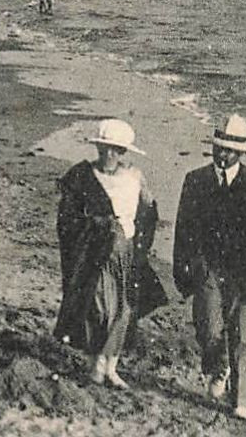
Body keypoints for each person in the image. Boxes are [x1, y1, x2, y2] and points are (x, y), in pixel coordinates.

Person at [173, 114, 246, 422]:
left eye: (229, 150)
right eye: (218, 148)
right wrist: (181, 269)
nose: (222, 155)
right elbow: (183, 228)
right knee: (209, 326)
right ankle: (217, 365)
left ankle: (241, 400)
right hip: (208, 266)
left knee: (244, 337)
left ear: (241, 153)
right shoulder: (195, 181)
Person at [54, 119, 165, 388]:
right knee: (98, 307)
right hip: (94, 254)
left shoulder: (135, 178)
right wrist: (97, 226)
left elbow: (149, 214)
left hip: (125, 252)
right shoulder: (82, 176)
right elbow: (66, 218)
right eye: (104, 148)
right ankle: (96, 363)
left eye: (115, 150)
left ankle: (111, 366)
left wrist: (138, 242)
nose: (109, 155)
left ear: (123, 152)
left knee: (124, 309)